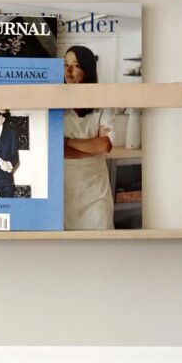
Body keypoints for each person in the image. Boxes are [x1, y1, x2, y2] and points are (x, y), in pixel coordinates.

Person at [63, 46, 115, 229]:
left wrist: (67, 142)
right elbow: (54, 149)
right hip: (64, 190)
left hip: (96, 191)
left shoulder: (102, 104)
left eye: (75, 65)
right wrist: (92, 147)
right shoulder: (56, 105)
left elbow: (105, 145)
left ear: (88, 70)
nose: (68, 70)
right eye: (66, 64)